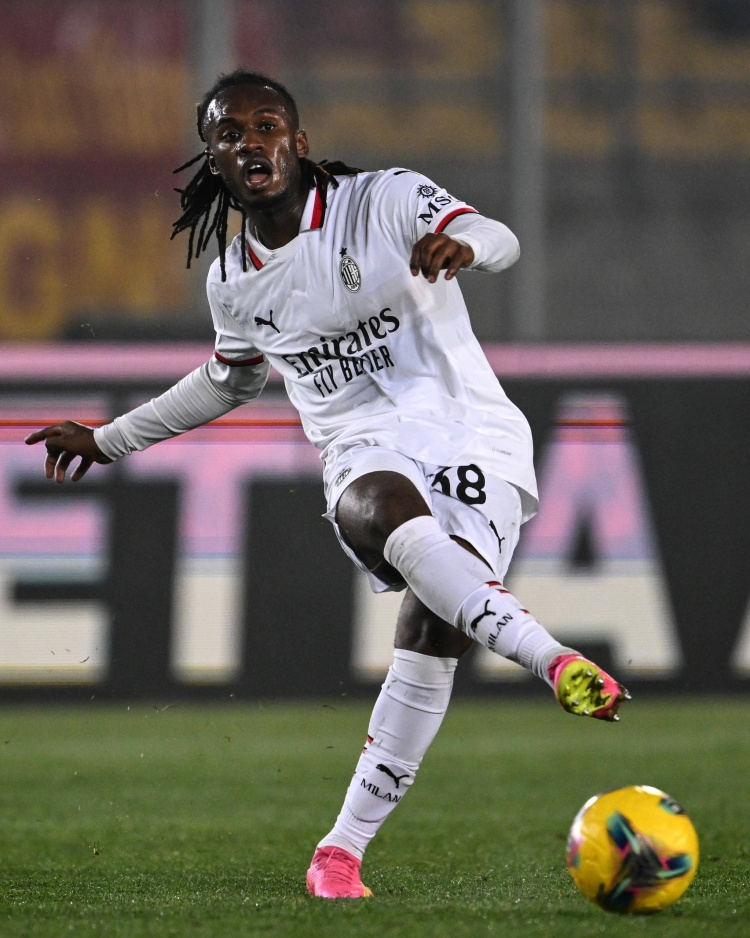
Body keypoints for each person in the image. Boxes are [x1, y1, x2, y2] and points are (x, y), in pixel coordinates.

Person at [26, 70, 629, 900]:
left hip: (469, 432)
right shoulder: (233, 280)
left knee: (435, 628)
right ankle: (551, 658)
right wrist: (107, 439)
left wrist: (466, 246)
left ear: (297, 141)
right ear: (214, 160)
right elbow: (228, 381)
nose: (250, 142)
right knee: (375, 505)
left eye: (265, 125)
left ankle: (340, 851)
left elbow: (496, 234)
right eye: (229, 133)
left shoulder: (383, 200)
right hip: (360, 445)